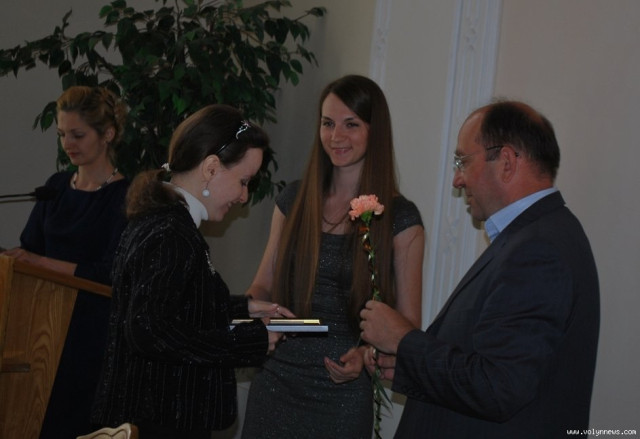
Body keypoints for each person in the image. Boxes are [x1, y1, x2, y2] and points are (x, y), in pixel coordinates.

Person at [360, 100, 600, 438]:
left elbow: (497, 387)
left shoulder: (538, 249)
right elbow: (488, 366)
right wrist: (411, 364)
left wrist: (404, 340)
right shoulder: (533, 236)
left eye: (462, 161)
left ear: (506, 162)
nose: (457, 179)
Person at [90, 104, 290, 439]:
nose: (243, 196)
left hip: (157, 416)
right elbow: (149, 330)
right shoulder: (171, 233)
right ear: (211, 168)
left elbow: (177, 306)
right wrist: (247, 341)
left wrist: (241, 309)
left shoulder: (166, 222)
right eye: (243, 181)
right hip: (160, 422)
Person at [241, 75, 425, 438]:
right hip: (276, 381)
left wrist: (366, 356)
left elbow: (406, 328)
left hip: (343, 396)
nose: (336, 136)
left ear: (375, 131)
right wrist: (251, 314)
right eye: (327, 124)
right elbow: (262, 284)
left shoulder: (401, 218)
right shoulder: (293, 200)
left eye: (350, 124)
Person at [1, 85, 130, 439]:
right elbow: (29, 252)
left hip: (89, 335)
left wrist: (40, 262)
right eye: (61, 135)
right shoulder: (56, 186)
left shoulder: (124, 197)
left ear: (107, 134)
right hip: (40, 327)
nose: (67, 144)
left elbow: (110, 274)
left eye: (77, 134)